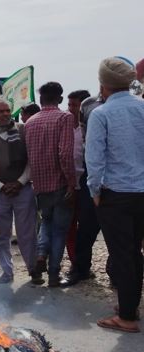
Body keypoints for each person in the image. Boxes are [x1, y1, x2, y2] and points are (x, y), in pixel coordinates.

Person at [85, 57, 144, 333]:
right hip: (141, 193)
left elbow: (94, 160)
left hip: (115, 195)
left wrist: (94, 191)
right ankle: (128, 306)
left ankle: (128, 318)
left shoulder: (101, 114)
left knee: (122, 255)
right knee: (135, 252)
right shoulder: (142, 107)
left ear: (103, 84)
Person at [0, 96, 41, 285]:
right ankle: (7, 271)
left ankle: (33, 270)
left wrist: (20, 182)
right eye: (1, 111)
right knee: (1, 234)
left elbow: (32, 160)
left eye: (8, 110)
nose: (6, 114)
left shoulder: (23, 131)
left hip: (22, 189)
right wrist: (1, 186)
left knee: (27, 232)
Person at [24, 81, 76, 288]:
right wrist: (72, 183)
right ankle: (54, 274)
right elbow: (65, 154)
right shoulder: (65, 118)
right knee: (60, 230)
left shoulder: (30, 122)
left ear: (40, 99)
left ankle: (40, 254)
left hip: (40, 185)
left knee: (46, 222)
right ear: (60, 99)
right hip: (61, 183)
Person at [63, 90, 92, 274]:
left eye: (75, 105)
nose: (72, 109)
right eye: (70, 105)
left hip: (88, 185)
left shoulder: (90, 128)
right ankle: (77, 263)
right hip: (69, 184)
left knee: (88, 228)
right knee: (70, 226)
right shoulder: (63, 129)